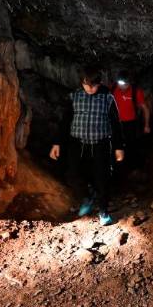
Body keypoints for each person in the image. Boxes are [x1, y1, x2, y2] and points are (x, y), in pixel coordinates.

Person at [50, 68, 125, 225]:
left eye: (93, 85)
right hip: (78, 144)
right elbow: (65, 121)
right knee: (74, 174)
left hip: (100, 144)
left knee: (102, 177)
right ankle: (87, 197)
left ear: (99, 83)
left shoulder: (108, 98)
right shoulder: (74, 97)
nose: (90, 88)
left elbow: (115, 124)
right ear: (82, 82)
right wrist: (57, 143)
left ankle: (103, 211)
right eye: (86, 84)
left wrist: (118, 147)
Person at [111, 70, 150, 173]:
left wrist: (146, 125)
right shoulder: (114, 89)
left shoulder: (136, 91)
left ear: (129, 83)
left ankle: (134, 168)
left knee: (132, 145)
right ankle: (118, 168)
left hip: (131, 123)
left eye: (124, 84)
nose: (121, 86)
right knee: (117, 144)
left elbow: (145, 108)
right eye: (119, 84)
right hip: (117, 123)